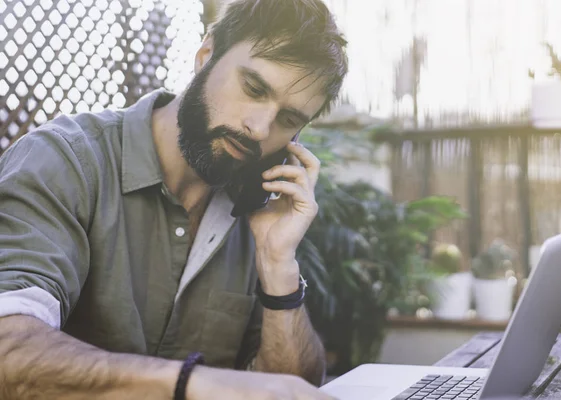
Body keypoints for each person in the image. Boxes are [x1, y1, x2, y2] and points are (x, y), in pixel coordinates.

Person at [0, 0, 348, 398]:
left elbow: (293, 388)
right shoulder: (63, 162)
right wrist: (189, 385)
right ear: (205, 56)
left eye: (287, 120)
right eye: (253, 88)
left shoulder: (261, 210)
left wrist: (278, 265)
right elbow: (8, 352)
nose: (258, 128)